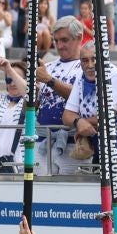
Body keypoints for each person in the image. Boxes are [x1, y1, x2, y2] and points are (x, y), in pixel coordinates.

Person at [33, 16, 86, 175]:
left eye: (64, 40)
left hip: (74, 144)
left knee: (69, 196)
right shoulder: (47, 66)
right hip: (43, 142)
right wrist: (32, 91)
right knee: (37, 194)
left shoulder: (89, 66)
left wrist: (49, 80)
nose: (60, 46)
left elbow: (81, 97)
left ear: (79, 38)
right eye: (56, 41)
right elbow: (30, 107)